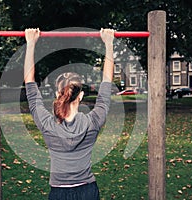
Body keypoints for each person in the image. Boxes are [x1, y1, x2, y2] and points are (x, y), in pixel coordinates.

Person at [24, 28, 115, 200]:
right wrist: (109, 43)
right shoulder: (93, 121)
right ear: (80, 96)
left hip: (59, 192)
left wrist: (31, 44)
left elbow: (30, 83)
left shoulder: (47, 124)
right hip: (88, 191)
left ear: (58, 94)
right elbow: (107, 82)